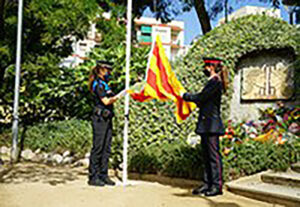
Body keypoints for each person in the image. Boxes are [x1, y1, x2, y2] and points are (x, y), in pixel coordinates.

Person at [181, 57, 228, 196]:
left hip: (212, 125)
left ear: (211, 67)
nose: (204, 69)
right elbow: (202, 101)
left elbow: (201, 97)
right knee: (206, 156)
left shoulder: (215, 83)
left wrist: (185, 95)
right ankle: (207, 184)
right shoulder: (211, 82)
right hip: (206, 124)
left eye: (206, 67)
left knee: (213, 156)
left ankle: (217, 186)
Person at [87, 60, 124, 187]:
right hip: (99, 119)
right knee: (98, 147)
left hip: (107, 118)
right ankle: (93, 176)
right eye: (107, 70)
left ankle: (103, 175)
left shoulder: (105, 84)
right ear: (100, 70)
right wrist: (119, 96)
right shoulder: (98, 84)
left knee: (106, 148)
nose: (109, 72)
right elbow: (106, 101)